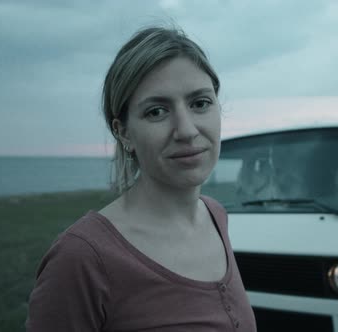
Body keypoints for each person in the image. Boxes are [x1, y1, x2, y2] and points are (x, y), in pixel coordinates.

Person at [26, 25, 256, 332]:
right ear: (123, 133)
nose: (186, 130)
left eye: (200, 103)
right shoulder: (83, 258)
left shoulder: (215, 215)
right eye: (157, 111)